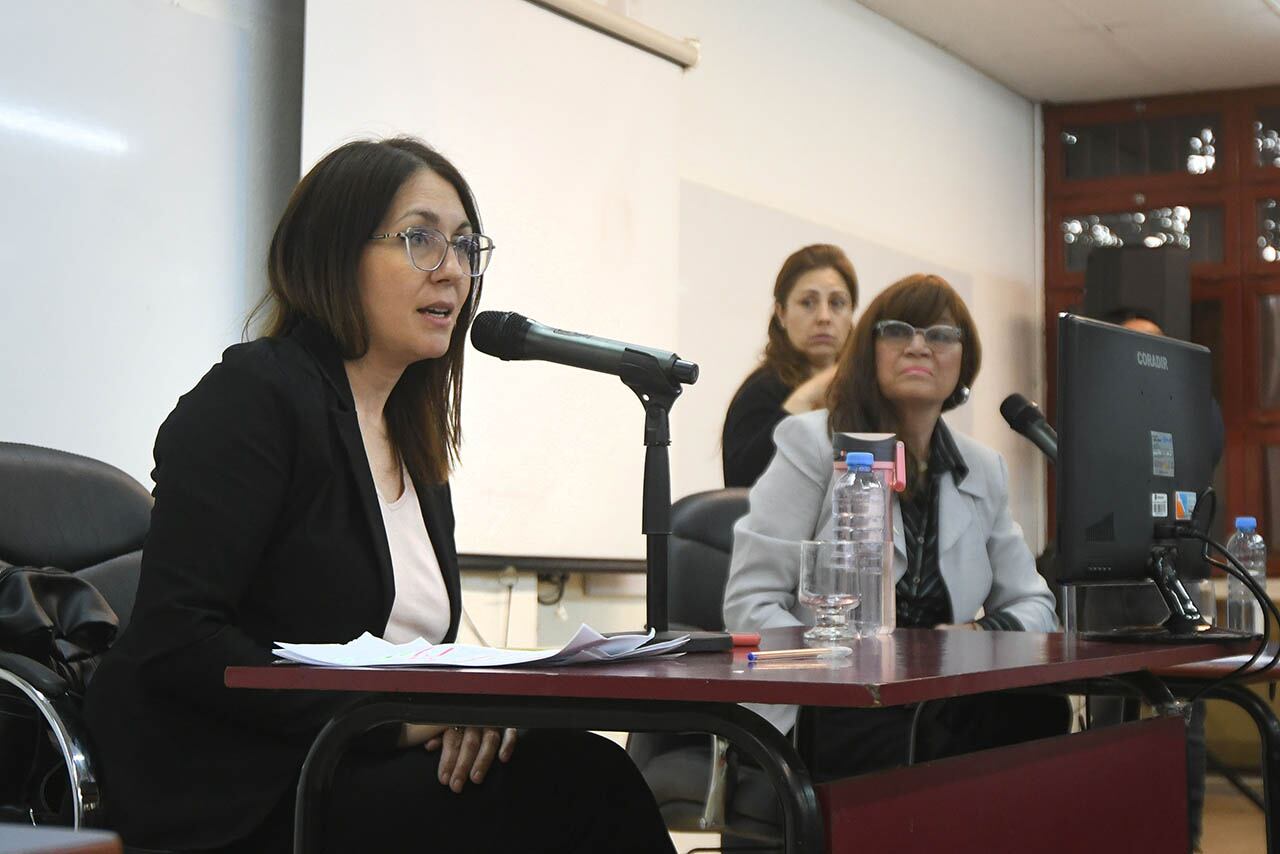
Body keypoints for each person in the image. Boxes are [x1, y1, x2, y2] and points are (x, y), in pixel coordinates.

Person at [83, 137, 675, 854]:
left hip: (359, 765)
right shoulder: (254, 397)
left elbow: (417, 655)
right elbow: (177, 640)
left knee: (580, 773)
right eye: (420, 239)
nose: (452, 270)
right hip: (247, 794)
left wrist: (468, 711)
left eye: (464, 246)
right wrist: (396, 718)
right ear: (333, 254)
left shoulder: (411, 437)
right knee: (583, 785)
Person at [723, 273, 1067, 779]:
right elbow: (749, 604)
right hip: (828, 703)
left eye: (942, 335)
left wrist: (974, 635)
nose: (919, 346)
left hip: (938, 698)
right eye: (898, 330)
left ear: (963, 362)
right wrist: (837, 661)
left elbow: (1034, 606)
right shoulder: (813, 443)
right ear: (868, 351)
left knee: (1040, 713)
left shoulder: (980, 466)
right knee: (906, 737)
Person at [722, 244, 858, 488]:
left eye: (837, 303)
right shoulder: (760, 391)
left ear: (851, 315)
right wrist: (804, 399)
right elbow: (743, 488)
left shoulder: (866, 392)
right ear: (781, 313)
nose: (824, 317)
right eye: (808, 303)